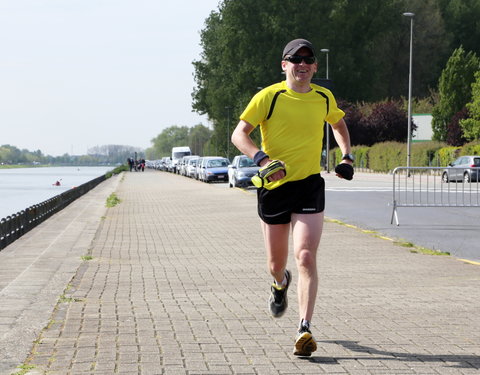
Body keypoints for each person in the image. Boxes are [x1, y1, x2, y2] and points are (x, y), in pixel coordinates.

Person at [231, 38, 354, 357]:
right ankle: (278, 283)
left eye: (308, 60)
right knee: (276, 264)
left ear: (314, 67)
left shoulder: (324, 97)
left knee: (305, 256)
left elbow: (338, 124)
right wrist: (262, 160)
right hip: (273, 187)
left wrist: (346, 156)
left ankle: (304, 328)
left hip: (308, 185)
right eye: (294, 60)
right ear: (284, 65)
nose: (302, 65)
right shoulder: (268, 97)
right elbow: (239, 134)